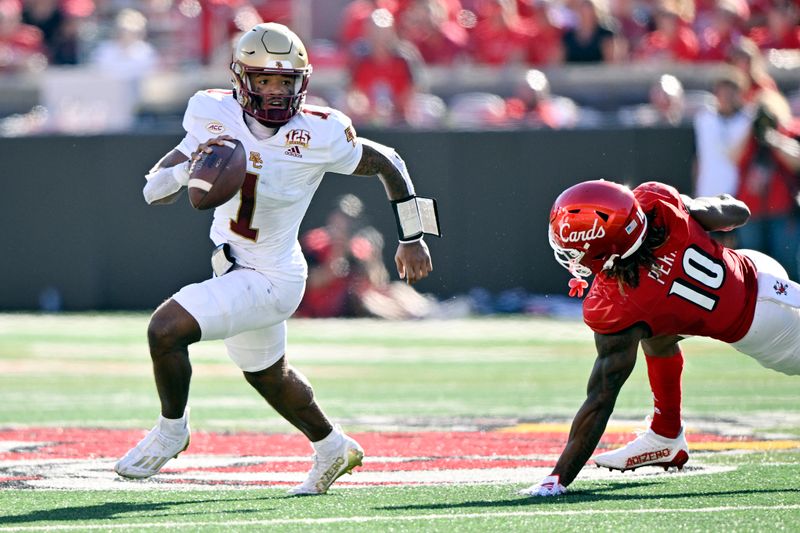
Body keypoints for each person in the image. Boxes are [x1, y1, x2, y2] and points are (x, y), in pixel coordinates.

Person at [114, 22, 439, 496]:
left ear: (302, 83)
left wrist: (412, 236)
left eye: (285, 82)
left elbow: (390, 161)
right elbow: (153, 192)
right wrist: (191, 168)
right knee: (269, 376)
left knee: (165, 330)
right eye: (264, 80)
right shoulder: (211, 113)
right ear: (241, 80)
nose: (275, 92)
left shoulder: (319, 133)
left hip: (271, 276)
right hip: (233, 265)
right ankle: (333, 447)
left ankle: (171, 430)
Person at [521, 178, 800, 497]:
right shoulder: (657, 202)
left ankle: (666, 435)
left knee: (648, 326)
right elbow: (738, 212)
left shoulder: (620, 304)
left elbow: (600, 399)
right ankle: (666, 435)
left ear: (605, 251)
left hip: (766, 329)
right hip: (758, 268)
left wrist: (558, 477)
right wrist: (691, 209)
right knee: (657, 334)